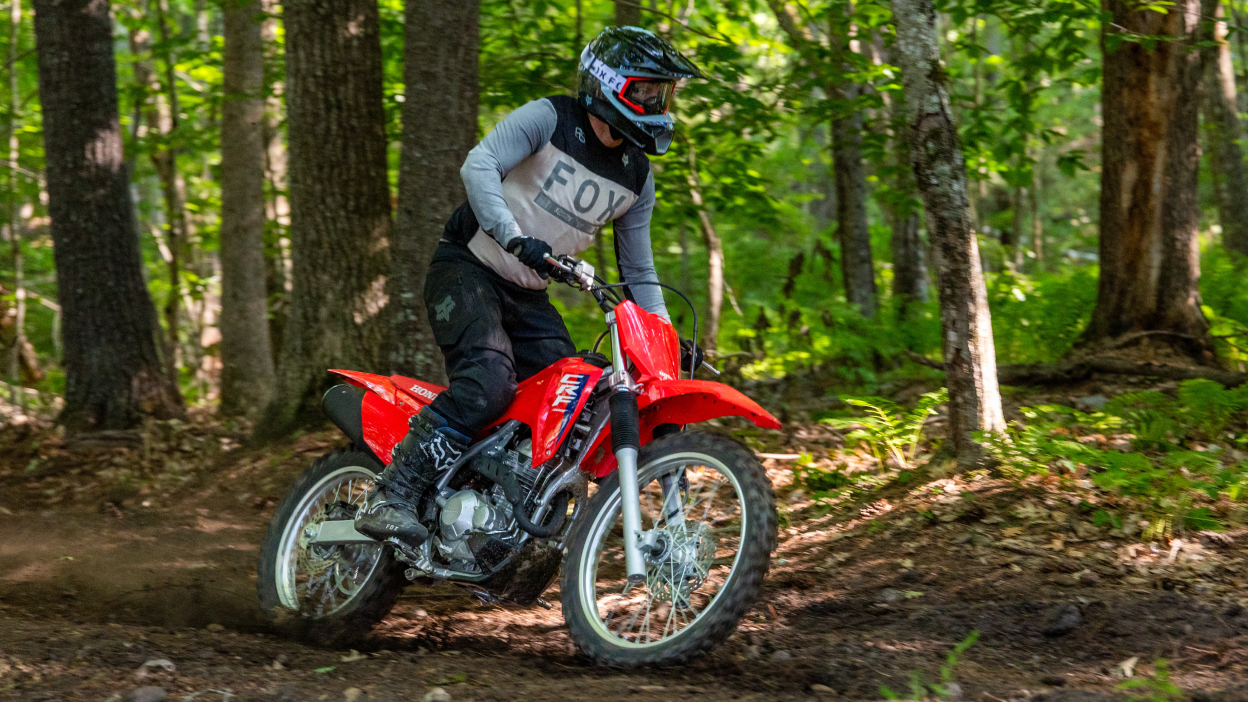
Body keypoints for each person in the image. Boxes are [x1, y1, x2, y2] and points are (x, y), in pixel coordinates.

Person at [355, 26, 705, 550]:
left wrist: (667, 343)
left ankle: (499, 518)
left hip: (527, 295)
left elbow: (639, 272)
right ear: (608, 84)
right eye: (647, 90)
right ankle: (393, 494)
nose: (657, 104)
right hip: (467, 267)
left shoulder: (637, 175)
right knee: (488, 383)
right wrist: (514, 237)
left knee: (575, 404)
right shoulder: (550, 118)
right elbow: (479, 164)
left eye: (663, 94)